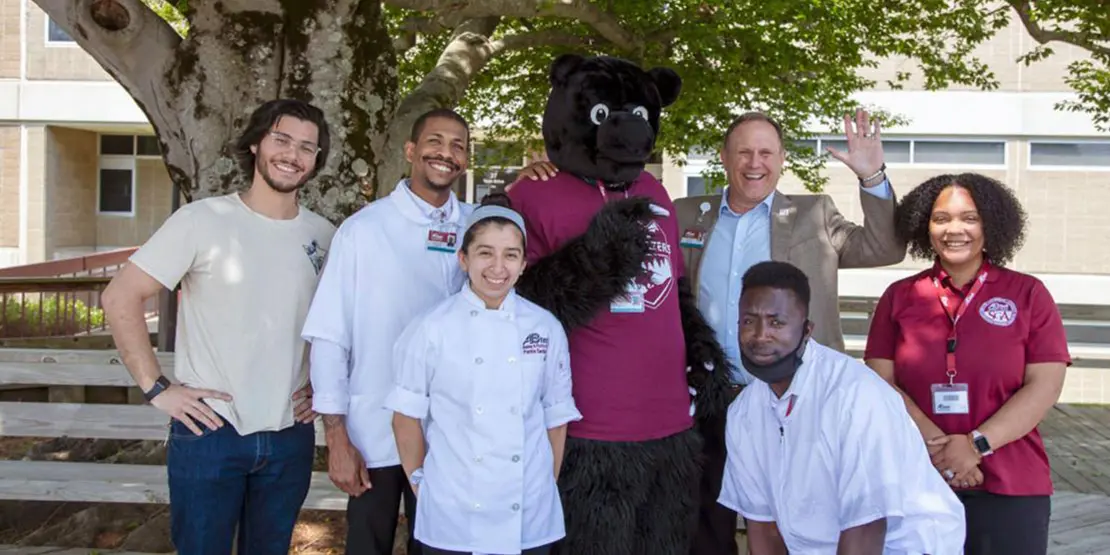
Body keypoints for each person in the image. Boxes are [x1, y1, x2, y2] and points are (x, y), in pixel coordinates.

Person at [100, 98, 336, 555]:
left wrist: (322, 388)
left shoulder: (324, 236)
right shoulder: (202, 220)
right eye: (281, 140)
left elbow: (333, 325)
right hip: (211, 429)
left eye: (307, 147)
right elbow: (119, 297)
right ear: (255, 144)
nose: (293, 154)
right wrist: (157, 388)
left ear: (316, 160)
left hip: (290, 433)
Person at [864, 173, 1070, 554]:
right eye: (941, 219)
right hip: (917, 477)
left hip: (1011, 483)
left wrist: (976, 445)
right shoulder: (899, 297)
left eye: (969, 218)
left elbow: (1045, 386)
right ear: (924, 226)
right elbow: (879, 380)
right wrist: (936, 444)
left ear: (990, 224)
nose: (954, 229)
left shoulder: (1028, 294)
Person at [299, 108, 474, 555]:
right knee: (367, 545)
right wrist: (335, 436)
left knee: (441, 547)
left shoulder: (477, 229)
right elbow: (329, 336)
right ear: (411, 151)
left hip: (451, 435)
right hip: (373, 432)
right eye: (435, 141)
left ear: (466, 161)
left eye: (458, 146)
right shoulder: (363, 231)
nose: (446, 153)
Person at [719, 260, 966, 555]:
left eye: (777, 322)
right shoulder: (744, 413)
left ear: (807, 330)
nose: (760, 335)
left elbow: (866, 528)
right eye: (749, 321)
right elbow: (764, 529)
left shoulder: (855, 396)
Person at [386, 194, 583, 555]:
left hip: (528, 512)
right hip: (453, 512)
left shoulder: (545, 327)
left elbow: (556, 417)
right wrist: (421, 484)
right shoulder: (431, 328)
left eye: (510, 254)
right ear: (463, 259)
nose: (498, 266)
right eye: (485, 252)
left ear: (524, 263)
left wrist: (542, 482)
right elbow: (405, 418)